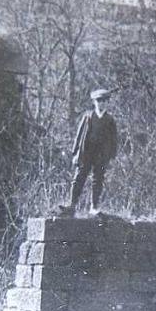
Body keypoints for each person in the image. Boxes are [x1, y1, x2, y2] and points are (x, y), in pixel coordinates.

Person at [59, 88, 118, 216]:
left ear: (108, 103)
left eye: (104, 101)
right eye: (99, 101)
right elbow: (79, 135)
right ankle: (72, 205)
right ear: (94, 102)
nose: (101, 104)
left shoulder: (110, 120)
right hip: (86, 152)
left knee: (98, 179)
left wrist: (111, 156)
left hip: (101, 154)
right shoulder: (88, 116)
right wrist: (75, 152)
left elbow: (114, 140)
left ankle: (94, 207)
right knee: (79, 177)